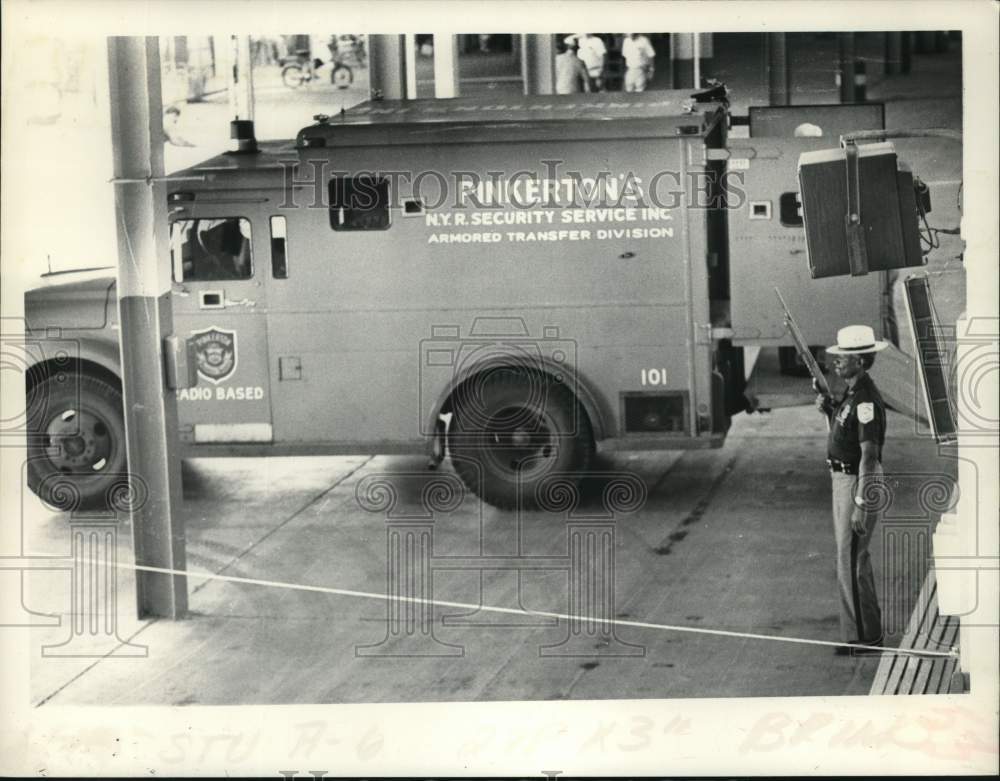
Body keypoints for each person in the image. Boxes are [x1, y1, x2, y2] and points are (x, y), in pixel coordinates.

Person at [814, 325, 888, 656]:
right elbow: (845, 432)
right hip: (844, 481)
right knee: (851, 558)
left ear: (859, 360)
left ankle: (866, 640)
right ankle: (860, 634)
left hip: (858, 483)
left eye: (843, 358)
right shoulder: (853, 395)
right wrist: (830, 410)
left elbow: (869, 455)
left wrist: (860, 502)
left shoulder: (866, 400)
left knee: (851, 559)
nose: (836, 363)